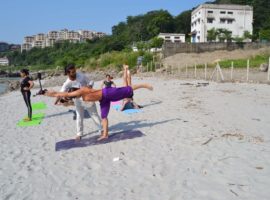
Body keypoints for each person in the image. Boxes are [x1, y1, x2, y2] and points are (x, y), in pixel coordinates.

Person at [45, 64, 153, 141]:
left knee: (127, 90)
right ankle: (105, 134)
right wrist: (49, 94)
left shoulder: (82, 90)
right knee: (104, 116)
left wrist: (55, 95)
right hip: (102, 100)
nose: (74, 96)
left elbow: (66, 94)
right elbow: (64, 94)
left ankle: (144, 85)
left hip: (107, 93)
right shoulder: (77, 94)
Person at [54, 64, 102, 141]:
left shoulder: (81, 76)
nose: (75, 73)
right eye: (72, 72)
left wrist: (89, 86)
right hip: (77, 101)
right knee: (79, 116)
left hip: (88, 98)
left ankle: (101, 129)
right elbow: (61, 93)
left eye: (75, 71)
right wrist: (56, 100)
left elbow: (91, 81)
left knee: (94, 114)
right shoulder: (67, 82)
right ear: (68, 73)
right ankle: (79, 134)